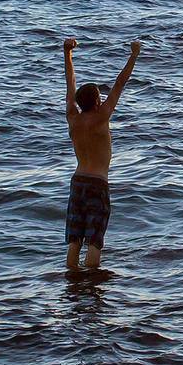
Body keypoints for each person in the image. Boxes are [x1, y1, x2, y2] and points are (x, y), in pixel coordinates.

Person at [62, 36, 141, 275]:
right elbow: (120, 84)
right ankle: (92, 286)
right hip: (97, 183)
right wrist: (134, 55)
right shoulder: (100, 117)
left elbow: (70, 85)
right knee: (94, 241)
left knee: (75, 240)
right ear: (97, 102)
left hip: (77, 182)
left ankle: (73, 282)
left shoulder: (72, 118)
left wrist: (67, 53)